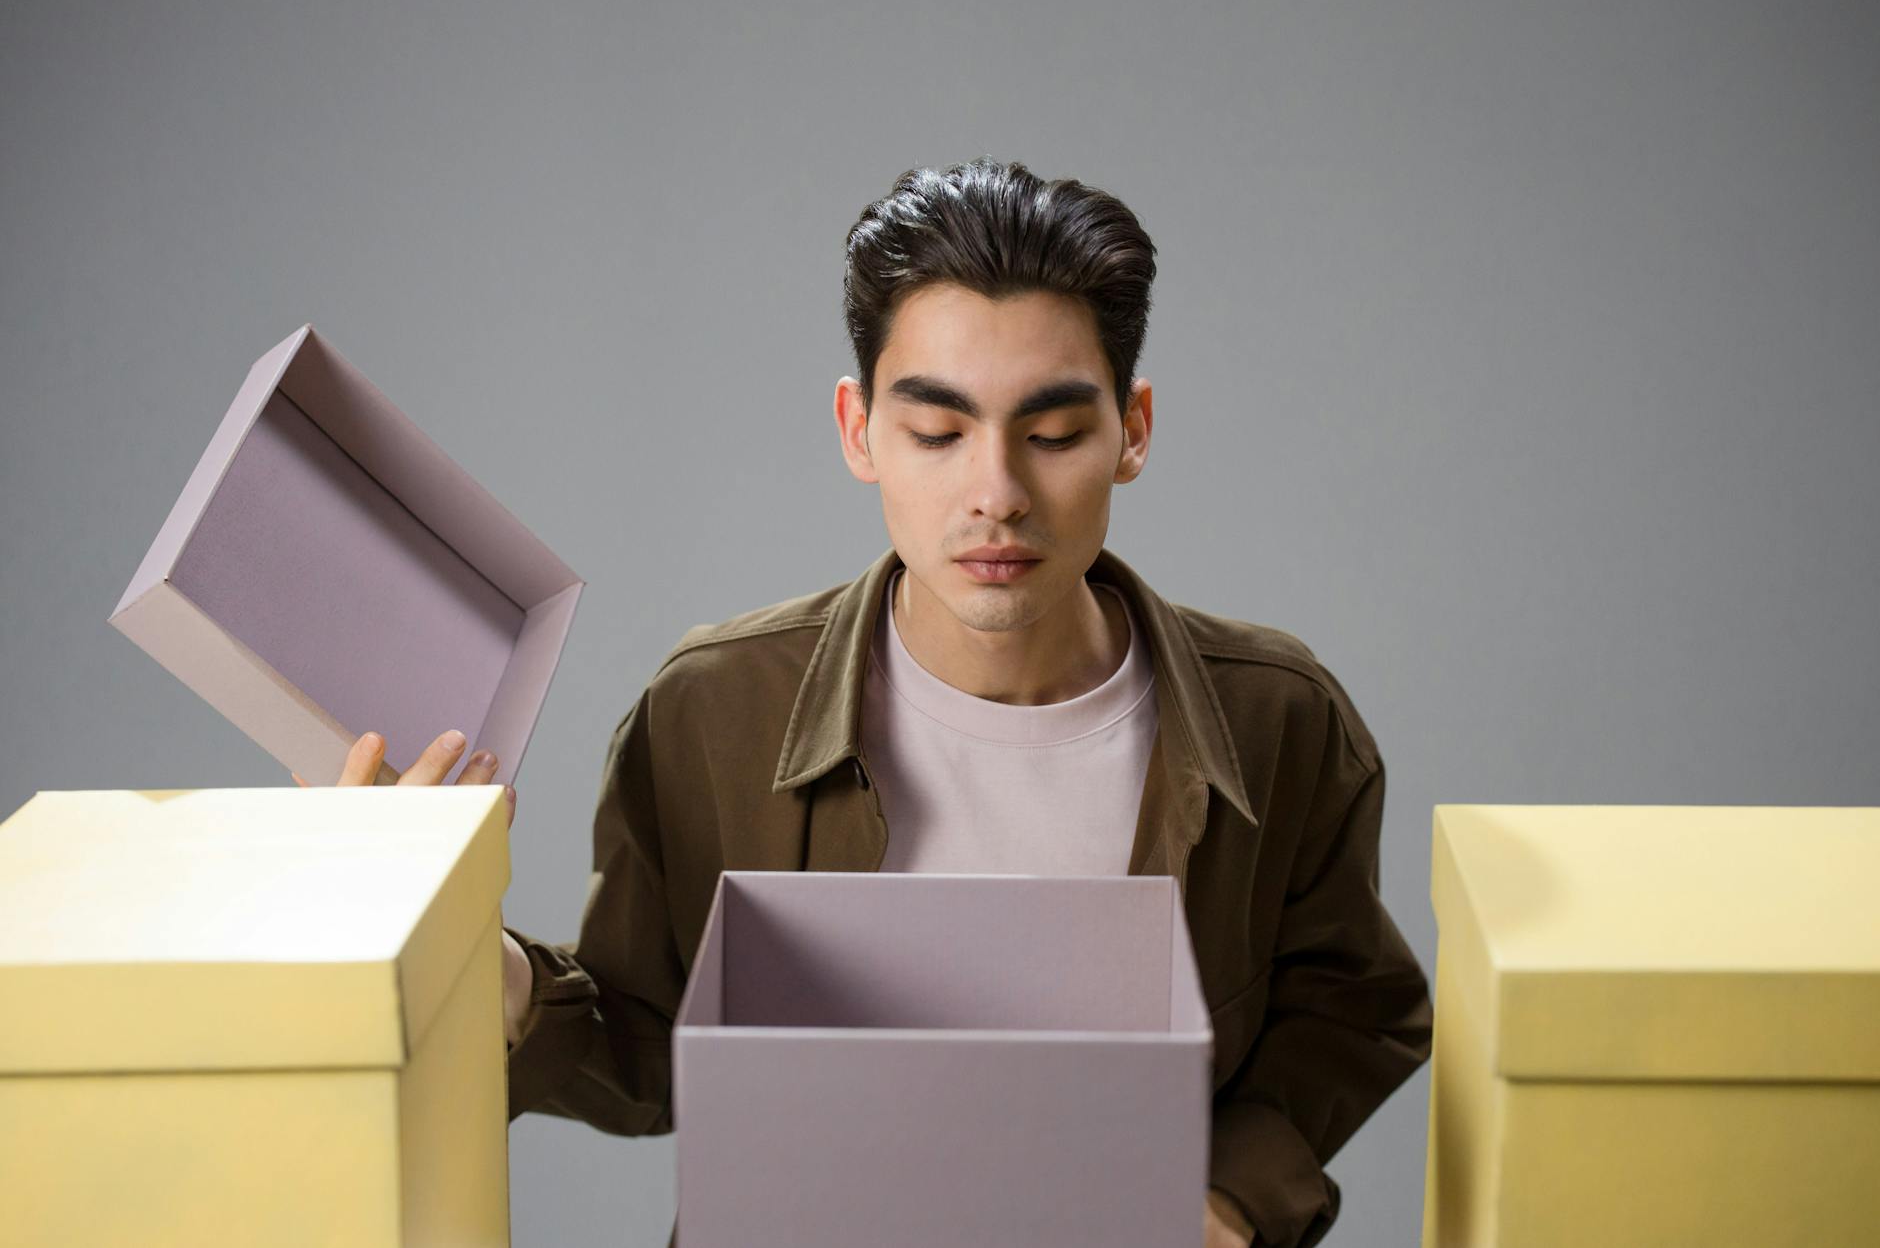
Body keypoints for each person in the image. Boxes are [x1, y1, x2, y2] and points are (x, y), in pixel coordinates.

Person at [307, 157, 1433, 1248]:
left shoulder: (1274, 719)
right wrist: (469, 949)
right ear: (858, 429)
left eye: (1051, 433)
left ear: (1131, 430)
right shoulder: (714, 707)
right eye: (936, 432)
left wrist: (1229, 1198)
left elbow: (1353, 1008)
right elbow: (643, 1041)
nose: (994, 492)